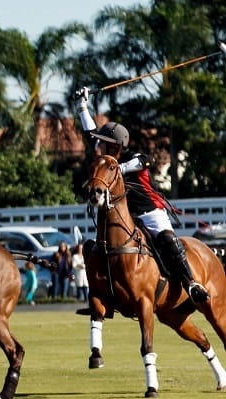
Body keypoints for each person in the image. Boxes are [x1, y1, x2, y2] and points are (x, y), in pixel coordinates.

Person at [75, 87, 209, 304]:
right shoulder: (105, 159)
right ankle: (103, 294)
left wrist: (115, 168)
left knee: (167, 239)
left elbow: (142, 162)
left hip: (149, 211)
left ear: (116, 146)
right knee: (98, 246)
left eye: (103, 143)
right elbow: (90, 134)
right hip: (124, 216)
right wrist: (82, 105)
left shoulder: (134, 157)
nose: (98, 145)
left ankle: (191, 283)